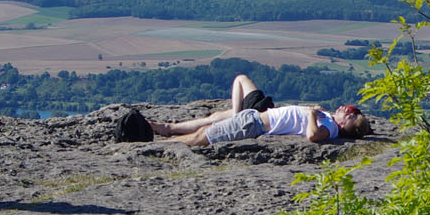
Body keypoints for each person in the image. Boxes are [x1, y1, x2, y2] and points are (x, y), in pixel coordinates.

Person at [151, 74, 371, 146]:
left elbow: (313, 136)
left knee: (203, 136)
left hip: (254, 124)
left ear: (346, 124)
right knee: (209, 127)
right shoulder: (329, 119)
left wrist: (312, 114)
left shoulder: (330, 128)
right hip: (254, 118)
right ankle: (167, 133)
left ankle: (163, 145)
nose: (345, 110)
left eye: (350, 115)